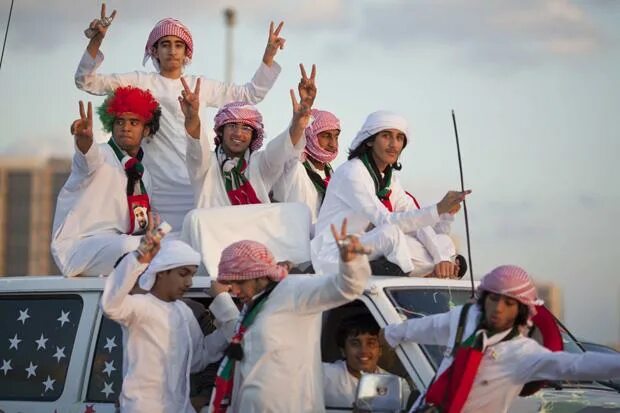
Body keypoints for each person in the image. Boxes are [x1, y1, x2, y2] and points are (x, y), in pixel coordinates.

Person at [76, 5, 285, 229]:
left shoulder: (200, 86)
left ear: (187, 53)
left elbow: (250, 94)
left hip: (198, 186)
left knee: (199, 252)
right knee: (164, 255)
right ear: (154, 51)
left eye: (178, 45)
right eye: (165, 44)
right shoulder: (141, 82)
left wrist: (269, 56)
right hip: (159, 189)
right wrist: (96, 41)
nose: (172, 51)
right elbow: (86, 80)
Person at [382, 265, 620, 413]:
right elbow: (422, 327)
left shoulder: (523, 354)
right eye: (494, 299)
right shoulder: (465, 318)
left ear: (521, 310)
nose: (498, 308)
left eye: (509, 303)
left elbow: (574, 364)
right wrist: (388, 334)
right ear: (484, 298)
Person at [210, 220, 371, 412]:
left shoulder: (293, 291)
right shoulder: (253, 306)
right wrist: (221, 300)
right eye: (230, 283)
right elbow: (241, 343)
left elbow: (347, 288)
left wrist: (350, 262)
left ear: (261, 275)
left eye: (240, 282)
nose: (234, 290)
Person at [311, 110, 469, 277]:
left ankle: (432, 269)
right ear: (370, 140)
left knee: (442, 242)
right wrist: (438, 209)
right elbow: (384, 220)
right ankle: (415, 274)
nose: (394, 144)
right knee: (391, 233)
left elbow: (413, 218)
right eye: (386, 136)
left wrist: (441, 257)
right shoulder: (352, 173)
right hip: (335, 253)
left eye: (399, 138)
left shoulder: (389, 179)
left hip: (367, 245)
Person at [100, 232, 240, 413]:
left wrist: (227, 318)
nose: (189, 282)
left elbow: (199, 358)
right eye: (183, 274)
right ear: (161, 273)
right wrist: (139, 256)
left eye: (192, 274)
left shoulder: (184, 312)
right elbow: (110, 305)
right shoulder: (140, 306)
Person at [51, 86, 162, 277]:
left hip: (115, 245)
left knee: (166, 244)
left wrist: (151, 229)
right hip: (78, 248)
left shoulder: (144, 176)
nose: (125, 127)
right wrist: (84, 140)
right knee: (135, 247)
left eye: (134, 122)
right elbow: (87, 156)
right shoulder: (101, 155)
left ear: (146, 130)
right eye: (119, 121)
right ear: (111, 124)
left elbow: (136, 228)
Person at [184, 64, 316, 208]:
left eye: (246, 128)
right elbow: (195, 146)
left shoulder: (260, 164)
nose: (238, 133)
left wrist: (298, 122)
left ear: (254, 135)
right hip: (212, 230)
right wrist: (192, 117)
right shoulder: (205, 164)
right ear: (221, 131)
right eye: (232, 126)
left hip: (255, 230)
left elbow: (284, 146)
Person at [271, 109, 340, 233]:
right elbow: (288, 149)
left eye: (336, 136)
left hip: (323, 245)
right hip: (294, 241)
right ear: (310, 135)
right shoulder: (294, 168)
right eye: (326, 136)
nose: (333, 144)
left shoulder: (334, 176)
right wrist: (298, 124)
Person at [322, 314, 410, 409]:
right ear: (343, 351)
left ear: (380, 350)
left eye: (371, 343)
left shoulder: (397, 385)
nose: (364, 351)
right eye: (355, 344)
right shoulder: (325, 375)